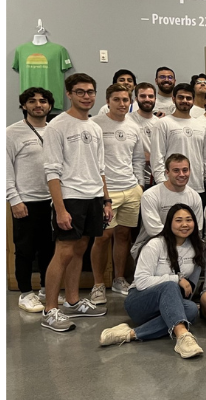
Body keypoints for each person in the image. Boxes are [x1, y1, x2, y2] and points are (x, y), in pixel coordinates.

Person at [41, 73, 111, 332]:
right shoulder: (57, 126)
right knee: (64, 251)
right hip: (70, 197)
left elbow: (100, 167)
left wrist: (106, 200)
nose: (86, 96)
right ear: (69, 94)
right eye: (80, 92)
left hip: (93, 197)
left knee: (80, 249)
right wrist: (60, 208)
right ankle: (50, 310)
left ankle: (72, 301)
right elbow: (51, 171)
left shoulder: (94, 127)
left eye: (90, 91)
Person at [98, 204, 205, 358]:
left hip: (168, 303)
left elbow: (190, 288)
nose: (184, 224)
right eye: (179, 220)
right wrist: (176, 279)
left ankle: (130, 334)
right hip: (139, 301)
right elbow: (141, 282)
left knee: (191, 310)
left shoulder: (197, 248)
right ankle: (183, 337)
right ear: (169, 223)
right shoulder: (156, 244)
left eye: (189, 220)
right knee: (169, 285)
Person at [90, 83, 145, 303]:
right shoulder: (95, 124)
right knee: (103, 237)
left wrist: (139, 185)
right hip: (106, 190)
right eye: (117, 100)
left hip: (131, 189)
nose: (122, 104)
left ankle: (119, 278)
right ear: (107, 101)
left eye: (125, 100)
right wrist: (102, 193)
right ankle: (98, 284)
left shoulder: (133, 126)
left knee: (123, 235)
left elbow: (138, 159)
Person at [7, 87, 55, 312]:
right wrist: (14, 199)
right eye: (33, 101)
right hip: (25, 200)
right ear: (24, 105)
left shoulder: (55, 130)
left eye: (43, 101)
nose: (39, 105)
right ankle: (26, 293)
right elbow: (6, 170)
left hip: (53, 200)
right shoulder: (12, 133)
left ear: (49, 105)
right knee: (25, 249)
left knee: (49, 249)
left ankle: (47, 290)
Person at [150, 83, 206, 205]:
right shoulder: (163, 124)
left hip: (197, 187)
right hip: (170, 186)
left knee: (195, 224)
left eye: (188, 98)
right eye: (181, 97)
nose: (185, 101)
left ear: (193, 100)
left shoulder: (201, 126)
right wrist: (162, 184)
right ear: (173, 99)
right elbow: (157, 157)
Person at [131, 154, 204, 258]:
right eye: (176, 171)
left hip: (184, 245)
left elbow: (197, 228)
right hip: (152, 244)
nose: (181, 174)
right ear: (167, 173)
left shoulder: (195, 196)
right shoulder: (151, 195)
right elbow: (154, 230)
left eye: (185, 170)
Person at [128, 83, 159, 188]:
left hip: (155, 179)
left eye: (150, 96)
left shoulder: (160, 123)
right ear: (136, 99)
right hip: (132, 179)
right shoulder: (128, 120)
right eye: (143, 96)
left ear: (155, 99)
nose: (147, 99)